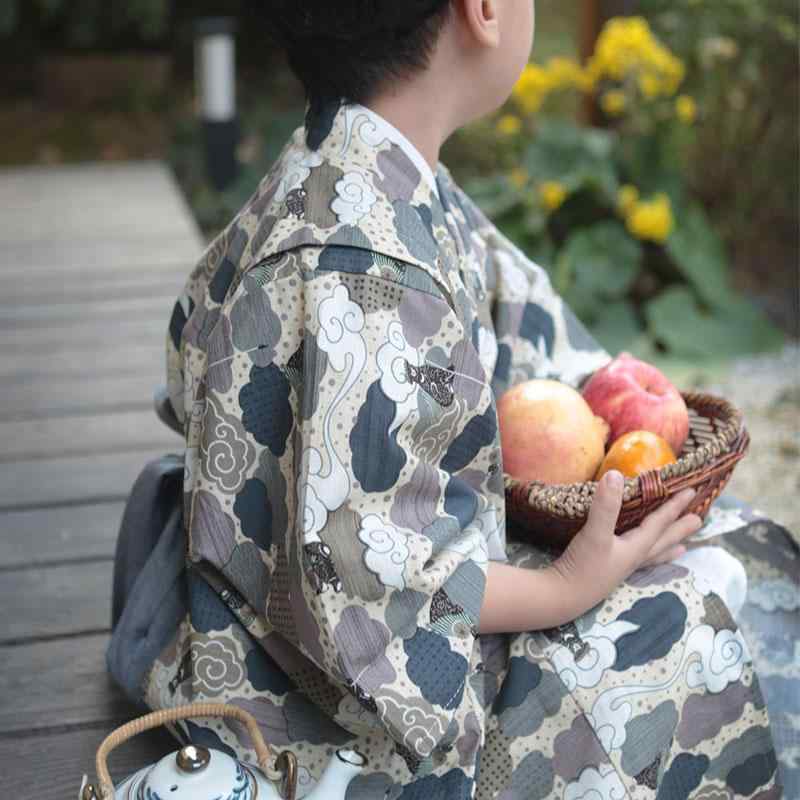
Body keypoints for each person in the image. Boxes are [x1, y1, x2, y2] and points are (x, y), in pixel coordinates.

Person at [124, 1, 791, 797]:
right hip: (324, 718)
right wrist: (564, 588)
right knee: (716, 598)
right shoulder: (365, 267)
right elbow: (370, 588)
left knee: (720, 546)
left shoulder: (338, 171)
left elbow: (525, 330)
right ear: (482, 10)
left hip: (287, 630)